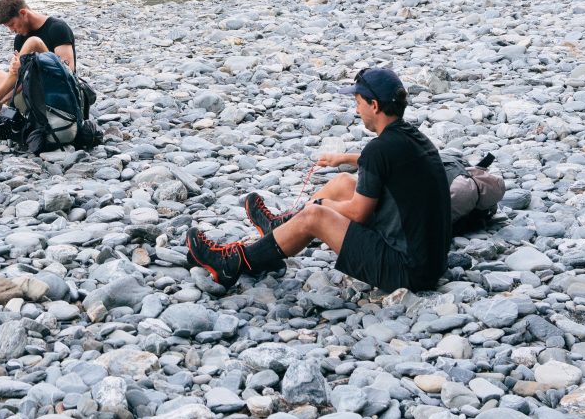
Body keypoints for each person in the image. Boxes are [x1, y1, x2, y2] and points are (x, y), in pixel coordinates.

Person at [186, 65, 450, 293]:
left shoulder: (379, 149)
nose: (357, 110)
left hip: (406, 271)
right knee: (345, 183)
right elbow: (384, 164)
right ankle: (280, 231)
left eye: (358, 102)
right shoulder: (411, 137)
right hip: (429, 263)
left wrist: (324, 204)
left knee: (315, 215)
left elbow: (358, 213)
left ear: (374, 105)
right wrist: (344, 158)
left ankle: (232, 265)